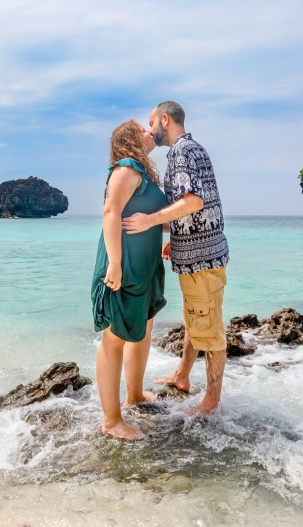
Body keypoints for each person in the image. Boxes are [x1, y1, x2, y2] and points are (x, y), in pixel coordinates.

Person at [123, 101, 229, 416]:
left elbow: (193, 202)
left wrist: (150, 221)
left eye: (151, 122)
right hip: (202, 255)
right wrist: (176, 235)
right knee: (195, 319)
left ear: (165, 119)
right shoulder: (191, 149)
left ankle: (210, 402)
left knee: (209, 330)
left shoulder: (182, 153)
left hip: (202, 261)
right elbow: (197, 205)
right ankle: (182, 376)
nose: (150, 129)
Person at [91, 120, 169, 440]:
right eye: (143, 129)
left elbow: (152, 218)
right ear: (130, 139)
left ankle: (134, 395)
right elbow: (111, 212)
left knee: (142, 328)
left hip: (145, 265)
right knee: (115, 337)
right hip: (124, 265)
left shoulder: (143, 173)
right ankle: (111, 421)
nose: (150, 131)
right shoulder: (126, 166)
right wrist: (115, 263)